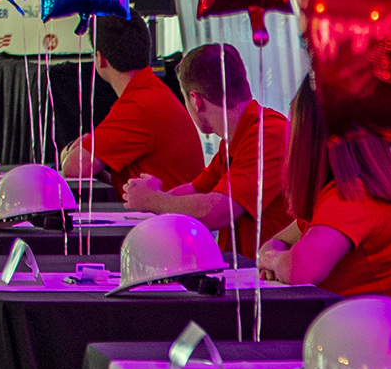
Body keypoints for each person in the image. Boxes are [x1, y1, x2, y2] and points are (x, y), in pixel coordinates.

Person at [258, 77, 391, 334]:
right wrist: (275, 256)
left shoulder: (353, 198)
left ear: (308, 139)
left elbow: (300, 269)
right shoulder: (353, 192)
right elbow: (281, 241)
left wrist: (274, 261)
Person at [120, 43, 291, 256]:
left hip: (274, 282)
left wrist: (154, 200)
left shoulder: (268, 134)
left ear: (196, 100)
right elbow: (198, 189)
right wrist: (156, 195)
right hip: (252, 274)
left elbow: (218, 211)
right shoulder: (238, 136)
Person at [56, 15, 203, 190]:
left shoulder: (137, 105)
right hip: (167, 214)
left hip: (164, 216)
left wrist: (67, 152)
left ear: (100, 59)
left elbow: (74, 169)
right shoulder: (151, 92)